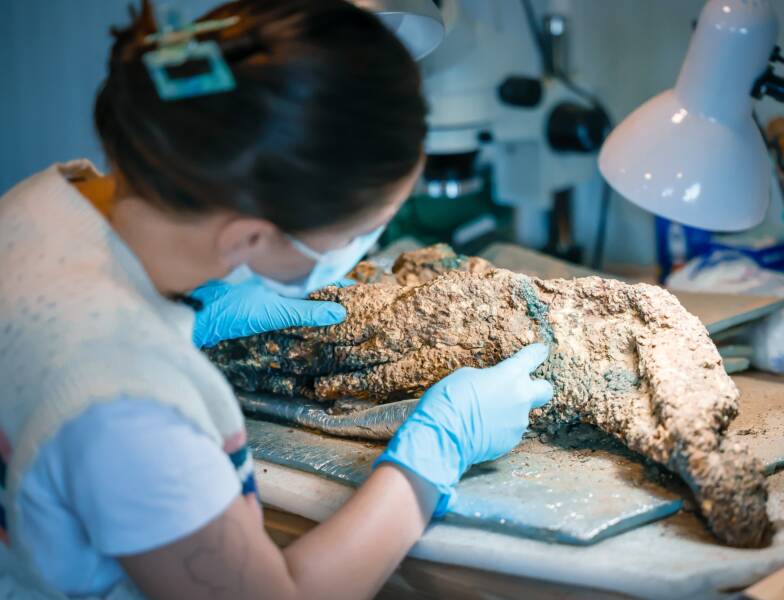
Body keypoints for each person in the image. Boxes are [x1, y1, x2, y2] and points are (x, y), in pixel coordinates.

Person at [0, 1, 554, 598]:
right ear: (249, 237)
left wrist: (189, 317)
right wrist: (430, 460)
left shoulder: (49, 195)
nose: (366, 249)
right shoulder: (130, 414)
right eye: (361, 233)